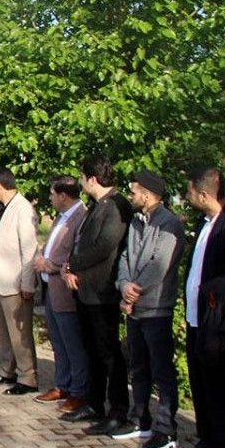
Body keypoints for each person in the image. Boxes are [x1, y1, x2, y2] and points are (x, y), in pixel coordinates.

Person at [177, 167, 225, 448]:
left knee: (224, 387)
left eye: (191, 192)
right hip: (198, 319)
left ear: (204, 194)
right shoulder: (205, 223)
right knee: (202, 383)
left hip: (220, 321)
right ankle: (206, 440)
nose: (188, 196)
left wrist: (213, 301)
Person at [113, 170, 185, 448]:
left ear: (147, 193)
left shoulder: (169, 224)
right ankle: (139, 420)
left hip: (156, 308)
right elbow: (126, 257)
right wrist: (123, 286)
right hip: (134, 307)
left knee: (161, 370)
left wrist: (135, 290)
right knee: (138, 366)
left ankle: (166, 428)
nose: (131, 196)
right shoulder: (136, 221)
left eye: (134, 191)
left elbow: (159, 264)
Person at [62, 156, 133, 432]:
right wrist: (70, 267)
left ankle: (117, 410)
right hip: (86, 290)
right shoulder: (97, 206)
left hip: (103, 291)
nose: (80, 182)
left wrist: (74, 264)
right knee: (92, 350)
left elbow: (105, 245)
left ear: (92, 179)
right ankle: (93, 403)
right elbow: (82, 243)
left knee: (108, 352)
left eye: (82, 177)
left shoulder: (116, 206)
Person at [34, 177, 89, 409]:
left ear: (63, 196)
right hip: (51, 290)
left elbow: (76, 253)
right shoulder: (61, 216)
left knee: (72, 344)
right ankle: (62, 384)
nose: (50, 198)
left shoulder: (80, 217)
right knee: (58, 342)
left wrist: (50, 265)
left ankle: (78, 390)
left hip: (65, 290)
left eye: (52, 194)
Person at [0, 167, 39, 395]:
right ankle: (6, 369)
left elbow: (29, 250)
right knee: (3, 329)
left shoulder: (22, 209)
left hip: (15, 281)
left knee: (19, 332)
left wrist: (27, 283)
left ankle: (28, 376)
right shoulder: (3, 208)